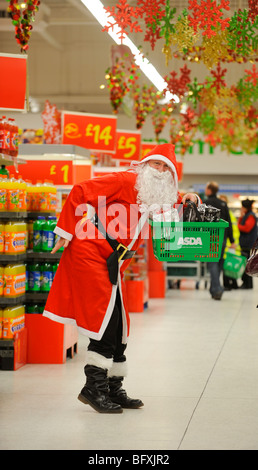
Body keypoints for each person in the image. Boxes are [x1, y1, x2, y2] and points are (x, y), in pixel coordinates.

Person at [43, 143, 199, 414]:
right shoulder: (125, 179)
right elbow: (81, 191)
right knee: (106, 320)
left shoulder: (155, 192)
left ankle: (113, 387)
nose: (160, 171)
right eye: (156, 164)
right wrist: (64, 230)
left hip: (113, 260)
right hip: (90, 252)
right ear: (145, 164)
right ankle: (93, 388)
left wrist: (188, 197)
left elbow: (168, 202)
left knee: (120, 326)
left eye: (166, 167)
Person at [204, 182, 235, 300]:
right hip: (222, 239)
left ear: (209, 190)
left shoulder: (206, 203)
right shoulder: (223, 204)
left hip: (210, 239)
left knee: (212, 264)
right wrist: (231, 240)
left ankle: (217, 289)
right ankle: (213, 289)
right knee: (219, 263)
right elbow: (229, 223)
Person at [220, 194, 240, 290]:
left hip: (229, 245)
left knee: (228, 265)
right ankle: (231, 285)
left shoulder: (229, 214)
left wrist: (233, 242)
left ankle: (229, 285)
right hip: (227, 244)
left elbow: (233, 229)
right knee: (227, 265)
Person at [238, 199, 258, 289]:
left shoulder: (251, 216)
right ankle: (246, 283)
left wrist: (239, 223)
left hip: (248, 244)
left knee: (248, 264)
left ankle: (247, 284)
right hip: (246, 244)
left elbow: (246, 228)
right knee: (245, 263)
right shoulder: (248, 215)